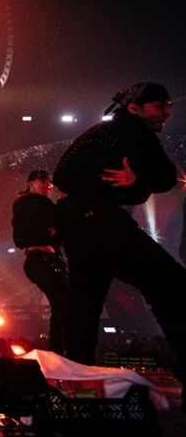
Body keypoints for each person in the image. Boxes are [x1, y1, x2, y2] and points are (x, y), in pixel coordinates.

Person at [53, 82, 186, 409]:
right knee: (169, 281)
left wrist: (134, 183)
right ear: (134, 108)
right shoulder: (132, 132)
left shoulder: (103, 133)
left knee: (85, 301)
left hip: (77, 219)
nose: (167, 113)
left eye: (169, 106)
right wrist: (136, 183)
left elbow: (64, 176)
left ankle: (77, 382)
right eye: (160, 106)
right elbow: (166, 177)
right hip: (98, 217)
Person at [11, 169, 69, 355]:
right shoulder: (27, 202)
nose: (47, 184)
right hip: (40, 259)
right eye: (42, 180)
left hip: (52, 259)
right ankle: (58, 351)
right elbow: (52, 218)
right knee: (62, 300)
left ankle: (65, 350)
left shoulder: (43, 204)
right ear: (30, 183)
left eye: (49, 182)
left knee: (68, 301)